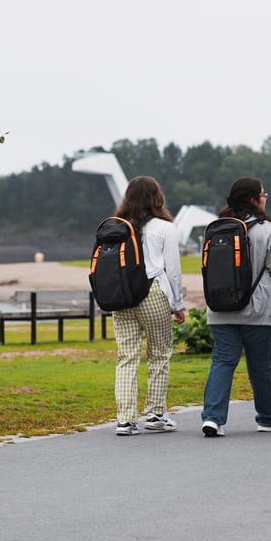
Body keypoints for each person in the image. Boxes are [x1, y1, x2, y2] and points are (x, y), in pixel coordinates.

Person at [201, 177, 271, 437]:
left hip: (220, 307)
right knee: (260, 365)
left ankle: (213, 418)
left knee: (222, 362)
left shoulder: (215, 228)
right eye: (263, 194)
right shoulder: (267, 229)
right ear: (254, 200)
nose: (265, 198)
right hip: (258, 308)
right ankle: (268, 417)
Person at [112, 176, 185, 436]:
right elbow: (173, 271)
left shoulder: (117, 227)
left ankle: (125, 420)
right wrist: (178, 304)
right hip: (153, 292)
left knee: (126, 357)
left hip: (121, 296)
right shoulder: (165, 228)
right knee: (159, 354)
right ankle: (155, 413)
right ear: (157, 197)